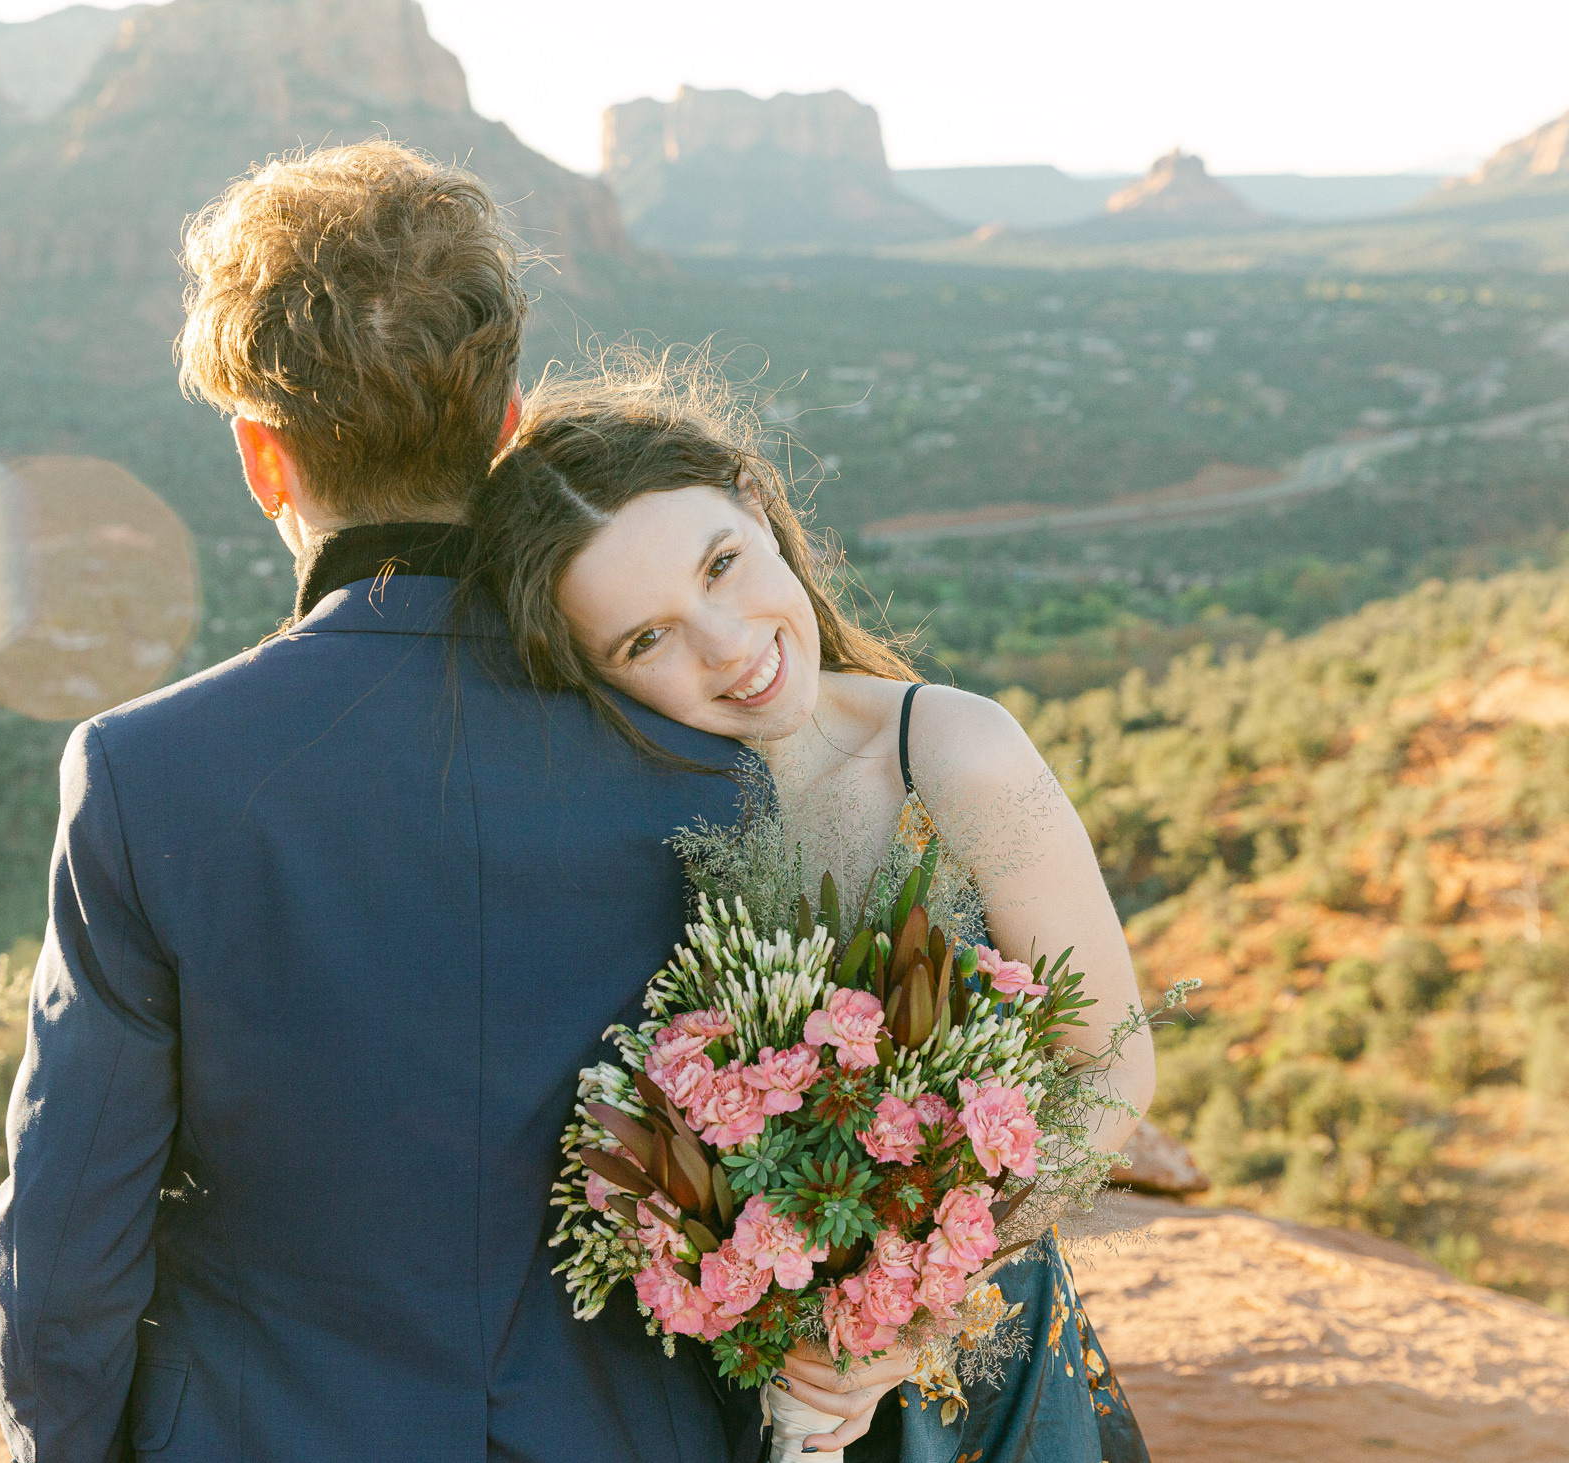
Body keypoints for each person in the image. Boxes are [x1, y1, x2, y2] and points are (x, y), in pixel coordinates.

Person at [0, 143, 764, 1462]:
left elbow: (67, 1243)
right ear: (507, 415)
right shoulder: (703, 751)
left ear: (261, 459)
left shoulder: (144, 774)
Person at [465, 356, 1157, 1463]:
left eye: (722, 564)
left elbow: (1113, 1063)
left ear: (756, 506)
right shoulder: (589, 828)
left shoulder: (953, 753)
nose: (729, 644)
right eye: (644, 639)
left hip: (968, 1363)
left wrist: (907, 1309)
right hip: (695, 1385)